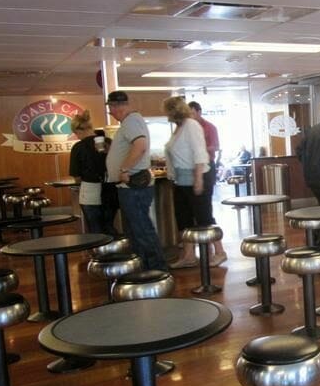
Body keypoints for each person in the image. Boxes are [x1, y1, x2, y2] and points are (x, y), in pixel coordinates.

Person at [105, 91, 167, 271]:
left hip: (133, 184)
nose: (111, 113)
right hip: (130, 185)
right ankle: (144, 266)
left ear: (116, 107)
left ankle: (156, 268)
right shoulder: (131, 122)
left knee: (141, 228)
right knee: (136, 228)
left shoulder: (131, 121)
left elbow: (140, 145)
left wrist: (124, 168)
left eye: (111, 109)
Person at [163, 96, 227, 269]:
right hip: (181, 180)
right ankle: (189, 255)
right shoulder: (179, 127)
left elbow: (200, 153)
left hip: (196, 176)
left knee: (204, 217)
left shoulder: (191, 126)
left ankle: (220, 251)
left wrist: (198, 179)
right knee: (184, 219)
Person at [68, 110, 118, 235]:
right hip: (111, 188)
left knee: (95, 229)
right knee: (109, 225)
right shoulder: (108, 142)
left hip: (90, 190)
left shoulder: (78, 148)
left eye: (75, 133)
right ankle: (113, 251)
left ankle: (99, 252)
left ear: (78, 131)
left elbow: (77, 175)